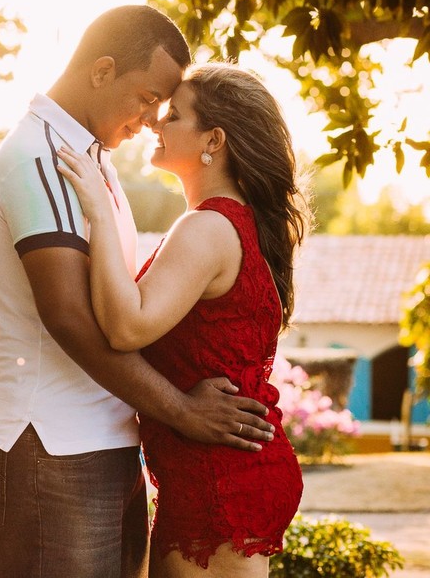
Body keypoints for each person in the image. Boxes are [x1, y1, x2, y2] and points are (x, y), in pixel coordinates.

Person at [0, 5, 274, 578]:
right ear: (102, 71)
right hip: (48, 445)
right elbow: (70, 318)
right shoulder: (40, 156)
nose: (152, 118)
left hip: (102, 441)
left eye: (164, 107)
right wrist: (180, 409)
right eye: (147, 97)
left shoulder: (88, 159)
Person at [56, 63, 307, 577]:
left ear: (213, 139)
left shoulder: (208, 226)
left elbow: (127, 327)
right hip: (227, 467)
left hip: (216, 479)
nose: (154, 124)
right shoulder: (233, 222)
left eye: (173, 115)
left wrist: (100, 214)